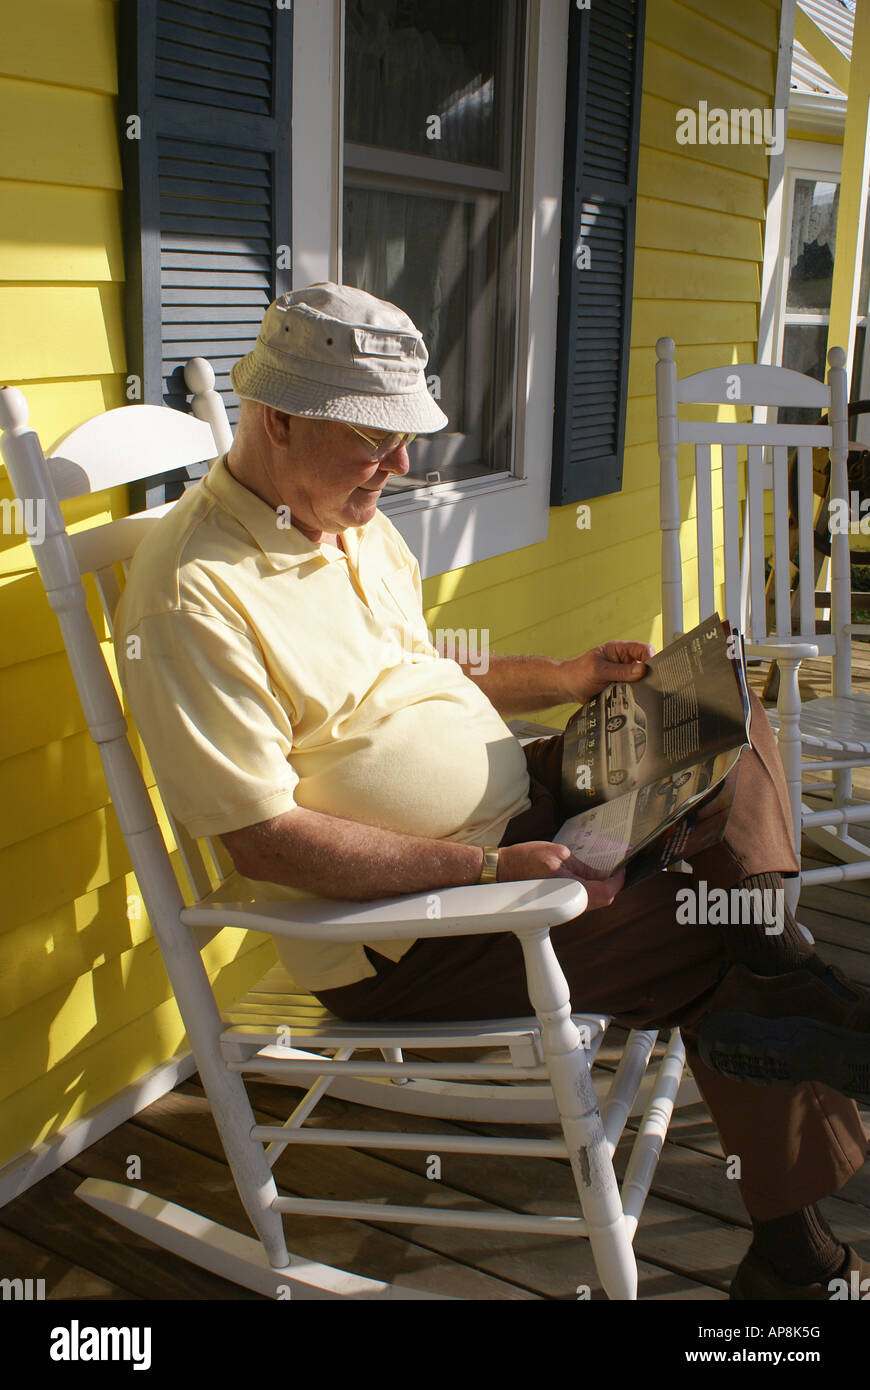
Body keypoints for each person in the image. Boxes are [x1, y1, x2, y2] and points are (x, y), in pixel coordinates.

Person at [114, 283, 870, 1301]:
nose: (403, 465)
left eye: (406, 437)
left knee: (721, 704)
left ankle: (778, 969)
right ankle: (796, 1234)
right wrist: (483, 865)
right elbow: (265, 840)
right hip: (413, 925)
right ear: (278, 419)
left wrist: (567, 677)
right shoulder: (190, 593)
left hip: (530, 802)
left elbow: (424, 672)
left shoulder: (349, 520)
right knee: (706, 927)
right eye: (374, 440)